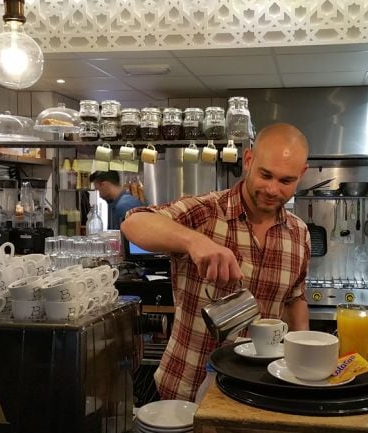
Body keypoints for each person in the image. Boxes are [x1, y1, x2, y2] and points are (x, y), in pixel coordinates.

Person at [121, 123, 311, 401]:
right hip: (187, 388)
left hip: (259, 391)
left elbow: (295, 301)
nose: (272, 189)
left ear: (302, 175)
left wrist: (302, 363)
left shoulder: (299, 233)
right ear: (248, 160)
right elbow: (134, 223)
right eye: (265, 174)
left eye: (285, 181)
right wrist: (194, 241)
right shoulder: (207, 211)